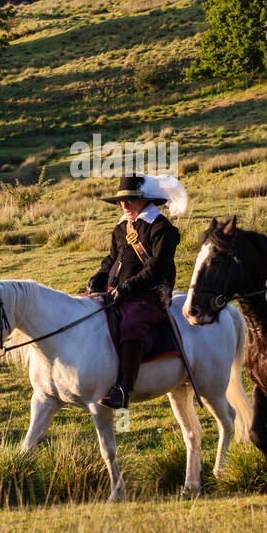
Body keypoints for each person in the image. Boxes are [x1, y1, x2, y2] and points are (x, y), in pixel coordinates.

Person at [85, 172, 186, 409]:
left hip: (148, 294)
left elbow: (157, 268)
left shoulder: (162, 228)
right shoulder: (122, 227)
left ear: (146, 200)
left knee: (131, 323)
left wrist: (127, 288)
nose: (124, 204)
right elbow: (111, 259)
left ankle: (123, 389)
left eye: (130, 200)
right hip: (115, 292)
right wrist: (99, 277)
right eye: (121, 201)